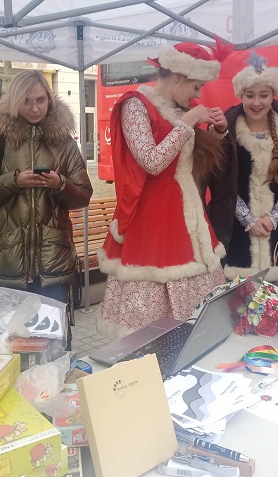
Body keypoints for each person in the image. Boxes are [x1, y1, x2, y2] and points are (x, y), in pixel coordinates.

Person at [97, 42, 229, 338]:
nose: (198, 95)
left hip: (188, 213)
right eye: (196, 87)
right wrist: (187, 123)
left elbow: (198, 163)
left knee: (196, 308)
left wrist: (219, 131)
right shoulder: (135, 105)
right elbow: (151, 161)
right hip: (151, 217)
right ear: (179, 76)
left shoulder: (186, 110)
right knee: (148, 314)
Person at [0, 70, 92, 340]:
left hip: (53, 267)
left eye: (40, 100)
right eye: (26, 101)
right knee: (12, 349)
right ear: (14, 101)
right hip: (7, 266)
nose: (34, 108)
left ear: (49, 99)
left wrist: (60, 184)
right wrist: (13, 182)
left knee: (54, 346)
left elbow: (83, 196)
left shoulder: (64, 143)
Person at [207, 52, 278, 279]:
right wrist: (248, 219)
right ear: (241, 94)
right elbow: (222, 181)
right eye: (250, 95)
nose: (257, 102)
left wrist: (272, 219)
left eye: (264, 95)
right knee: (238, 294)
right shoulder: (226, 126)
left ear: (273, 95)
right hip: (236, 229)